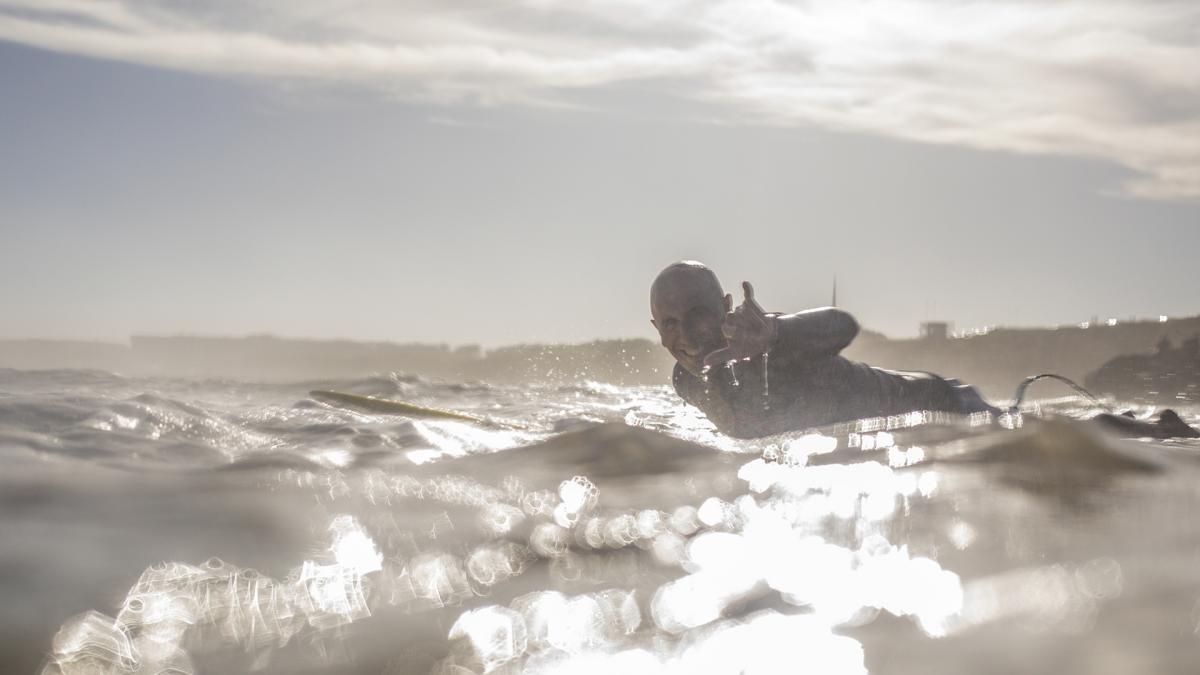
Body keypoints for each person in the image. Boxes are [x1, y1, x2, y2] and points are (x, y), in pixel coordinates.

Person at [649, 261, 1001, 438]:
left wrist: (774, 332)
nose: (689, 338)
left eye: (699, 316)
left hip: (950, 410)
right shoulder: (686, 381)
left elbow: (842, 324)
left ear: (726, 307)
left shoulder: (769, 343)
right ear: (657, 330)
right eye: (670, 324)